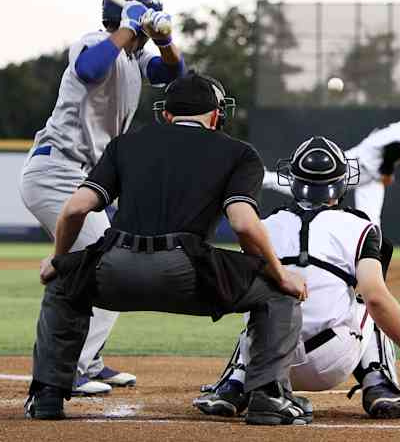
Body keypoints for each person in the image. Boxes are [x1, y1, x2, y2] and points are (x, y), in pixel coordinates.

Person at [24, 72, 314, 426]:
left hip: (114, 268)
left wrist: (59, 260)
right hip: (187, 272)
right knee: (277, 294)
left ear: (166, 114)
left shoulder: (125, 145)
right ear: (216, 115)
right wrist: (278, 274)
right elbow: (243, 223)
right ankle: (268, 395)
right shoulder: (239, 153)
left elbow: (75, 209)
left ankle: (47, 395)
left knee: (62, 285)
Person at [195, 136, 400, 419]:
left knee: (261, 308)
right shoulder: (360, 227)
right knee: (367, 301)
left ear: (294, 181)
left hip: (266, 367)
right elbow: (377, 299)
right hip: (331, 361)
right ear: (340, 183)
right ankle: (380, 386)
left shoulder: (263, 227)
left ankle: (232, 386)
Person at [18, 0, 184, 396]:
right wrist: (128, 26)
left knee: (116, 263)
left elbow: (174, 76)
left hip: (86, 179)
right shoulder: (93, 43)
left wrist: (165, 41)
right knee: (106, 265)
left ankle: (88, 360)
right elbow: (89, 70)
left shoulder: (133, 56)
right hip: (55, 173)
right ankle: (70, 367)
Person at [263, 101, 400, 225]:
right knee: (310, 191)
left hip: (371, 177)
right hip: (354, 167)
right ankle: (267, 177)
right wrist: (388, 174)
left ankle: (369, 256)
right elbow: (393, 150)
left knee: (371, 221)